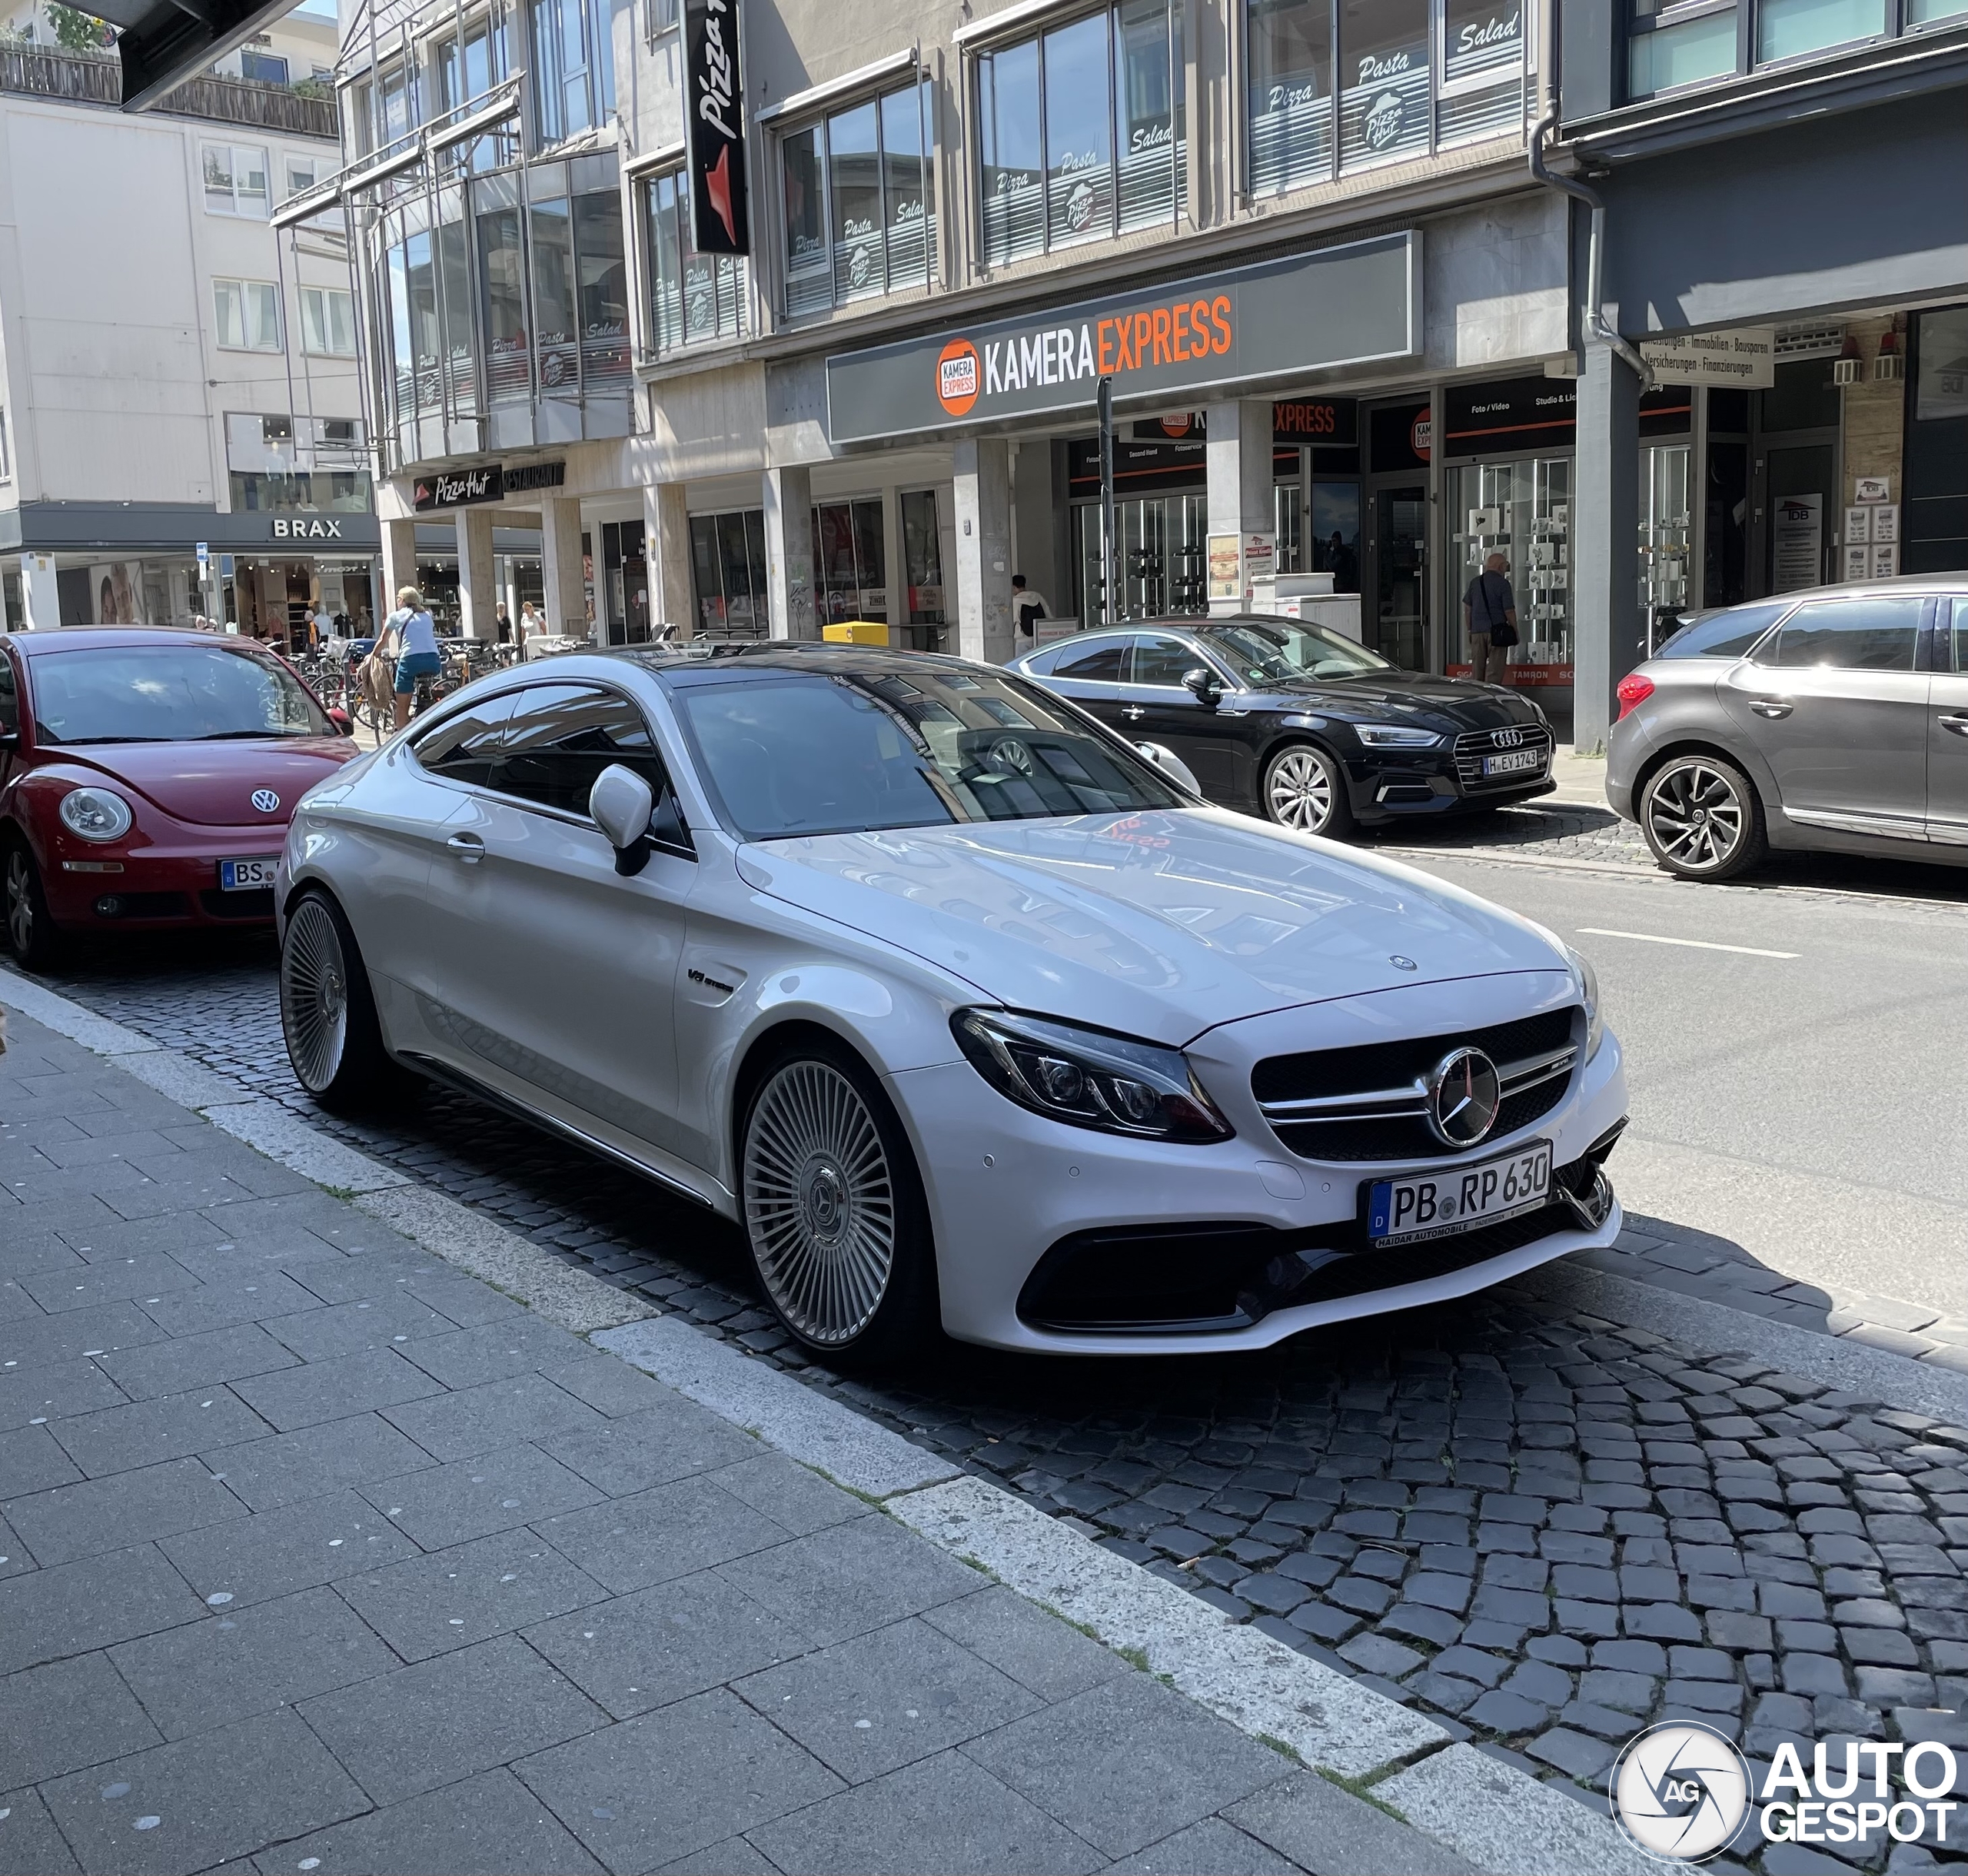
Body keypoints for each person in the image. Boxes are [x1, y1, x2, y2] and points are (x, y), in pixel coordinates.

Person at [385, 584, 442, 730]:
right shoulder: (427, 614)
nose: (397, 601)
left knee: (402, 705)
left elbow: (382, 641)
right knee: (426, 687)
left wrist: (373, 655)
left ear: (402, 600)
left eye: (398, 598)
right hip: (433, 660)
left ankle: (400, 734)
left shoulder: (395, 616)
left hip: (410, 660)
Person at [1462, 550, 1518, 684]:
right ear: (1500, 566)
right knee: (1495, 670)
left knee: (1477, 670)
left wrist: (1470, 629)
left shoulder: (1475, 582)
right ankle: (1491, 697)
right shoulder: (1503, 584)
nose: (1506, 568)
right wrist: (1515, 630)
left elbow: (1467, 608)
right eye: (1505, 565)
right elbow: (1509, 611)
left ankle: (1478, 697)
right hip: (1497, 632)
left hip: (1477, 631)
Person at [1012, 574, 1049, 639]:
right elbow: (1048, 614)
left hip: (1022, 637)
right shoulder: (1037, 596)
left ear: (1014, 587)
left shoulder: (1015, 601)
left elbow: (1014, 619)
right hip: (1039, 636)